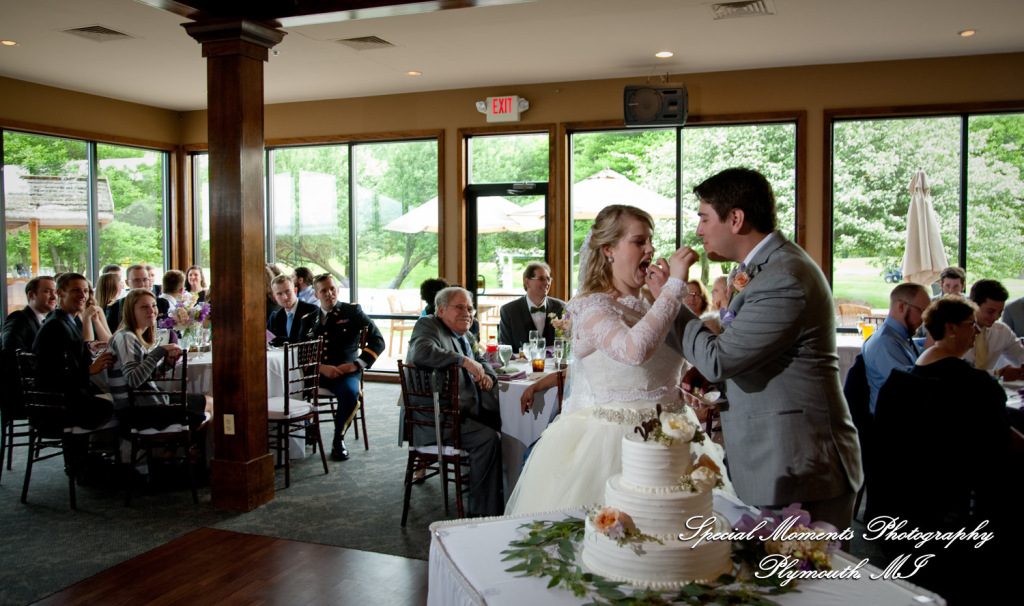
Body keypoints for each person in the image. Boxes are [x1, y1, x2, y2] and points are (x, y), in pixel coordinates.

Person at [668, 168, 862, 532]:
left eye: (704, 217)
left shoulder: (783, 277)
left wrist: (669, 301)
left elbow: (719, 358)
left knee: (803, 584)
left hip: (798, 465)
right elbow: (751, 350)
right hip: (778, 460)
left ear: (736, 219)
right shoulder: (763, 268)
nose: (698, 230)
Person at [506, 204, 729, 515]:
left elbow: (695, 349)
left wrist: (667, 294)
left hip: (677, 438)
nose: (651, 249)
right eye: (639, 242)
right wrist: (674, 287)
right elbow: (632, 351)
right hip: (615, 445)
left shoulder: (653, 301)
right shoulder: (591, 306)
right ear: (608, 249)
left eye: (651, 241)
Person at [406, 286, 503, 516]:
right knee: (489, 439)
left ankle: (498, 497)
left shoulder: (466, 335)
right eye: (460, 307)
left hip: (463, 413)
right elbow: (421, 353)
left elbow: (482, 360)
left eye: (470, 308)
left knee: (504, 425)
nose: (467, 312)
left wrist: (488, 376)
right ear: (441, 310)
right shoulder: (428, 325)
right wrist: (464, 361)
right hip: (435, 420)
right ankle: (481, 512)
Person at [299, 273, 385, 461]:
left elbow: (378, 341)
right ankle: (305, 431)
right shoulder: (308, 319)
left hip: (346, 373)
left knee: (350, 394)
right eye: (324, 291)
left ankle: (338, 439)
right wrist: (321, 368)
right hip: (318, 374)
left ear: (337, 290)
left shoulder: (352, 312)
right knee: (290, 389)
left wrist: (356, 365)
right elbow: (300, 353)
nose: (329, 294)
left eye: (332, 289)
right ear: (316, 295)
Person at [107, 288, 212, 429]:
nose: (151, 311)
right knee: (210, 404)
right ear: (131, 311)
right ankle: (180, 448)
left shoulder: (134, 336)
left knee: (208, 402)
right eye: (144, 307)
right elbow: (133, 380)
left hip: (146, 404)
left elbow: (145, 378)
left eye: (154, 305)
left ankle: (173, 449)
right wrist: (159, 351)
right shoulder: (126, 337)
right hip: (135, 411)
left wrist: (167, 364)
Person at [32, 273, 115, 430]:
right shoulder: (55, 326)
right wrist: (90, 369)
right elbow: (56, 374)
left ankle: (97, 449)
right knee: (121, 405)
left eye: (85, 291)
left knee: (116, 400)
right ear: (60, 293)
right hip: (58, 405)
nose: (83, 296)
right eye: (76, 290)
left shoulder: (65, 322)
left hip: (65, 398)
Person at [861, 282, 930, 413]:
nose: (924, 319)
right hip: (893, 424)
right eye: (922, 311)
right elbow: (910, 389)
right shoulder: (885, 343)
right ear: (902, 306)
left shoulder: (901, 337)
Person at [2, 276, 57, 420]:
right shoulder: (18, 318)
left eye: (55, 292)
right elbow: (11, 351)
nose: (53, 296)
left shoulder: (47, 321)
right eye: (47, 291)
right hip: (25, 395)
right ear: (31, 295)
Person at [498, 262, 566, 353]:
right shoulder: (509, 311)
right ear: (527, 282)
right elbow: (505, 349)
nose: (547, 283)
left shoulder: (561, 308)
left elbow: (567, 345)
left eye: (548, 279)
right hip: (521, 366)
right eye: (541, 279)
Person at [963, 279, 1024, 380]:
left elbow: (1020, 356)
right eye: (991, 311)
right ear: (972, 304)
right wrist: (997, 373)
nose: (996, 317)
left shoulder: (1002, 331)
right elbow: (953, 373)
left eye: (1000, 312)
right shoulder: (955, 332)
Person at [106, 264, 169, 329]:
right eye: (137, 281)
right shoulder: (116, 307)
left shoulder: (162, 304)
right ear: (127, 283)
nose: (141, 284)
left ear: (149, 281)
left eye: (145, 280)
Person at [267, 274, 316, 345]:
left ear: (295, 291)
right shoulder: (277, 316)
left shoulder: (311, 311)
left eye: (287, 292)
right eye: (279, 294)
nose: (284, 297)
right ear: (275, 297)